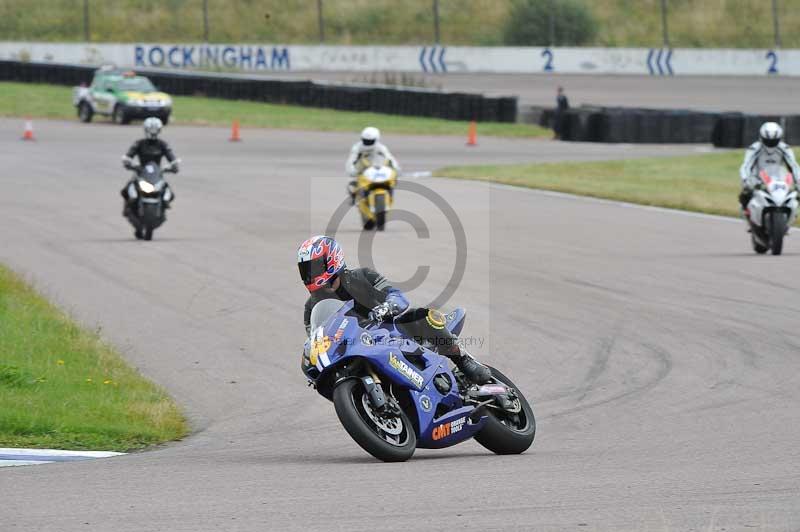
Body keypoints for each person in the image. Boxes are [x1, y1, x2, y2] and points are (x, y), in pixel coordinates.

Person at [297, 235, 492, 384]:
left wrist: (387, 306)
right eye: (306, 269)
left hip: (390, 331)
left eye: (314, 267)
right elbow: (318, 340)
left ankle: (464, 361)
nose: (310, 274)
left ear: (331, 260)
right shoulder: (311, 307)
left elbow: (396, 295)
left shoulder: (362, 276)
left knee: (422, 315)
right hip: (355, 348)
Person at [121, 117, 179, 212]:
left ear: (159, 130)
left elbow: (171, 156)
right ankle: (127, 207)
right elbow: (129, 155)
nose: (153, 132)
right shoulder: (139, 143)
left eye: (155, 129)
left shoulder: (162, 144)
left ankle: (164, 206)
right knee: (125, 190)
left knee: (170, 194)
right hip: (141, 171)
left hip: (157, 173)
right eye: (151, 129)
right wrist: (128, 162)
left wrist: (174, 165)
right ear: (146, 129)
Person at [739, 121, 800, 210]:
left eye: (773, 141)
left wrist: (798, 181)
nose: (770, 144)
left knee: (795, 197)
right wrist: (746, 180)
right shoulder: (754, 148)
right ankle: (747, 211)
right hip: (757, 180)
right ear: (762, 138)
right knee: (745, 194)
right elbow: (746, 165)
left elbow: (794, 166)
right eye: (768, 141)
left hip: (779, 180)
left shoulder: (785, 149)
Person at [345, 127, 400, 203]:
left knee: (393, 181)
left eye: (370, 141)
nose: (367, 143)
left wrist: (396, 169)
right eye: (366, 140)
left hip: (378, 168)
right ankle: (355, 197)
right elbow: (351, 160)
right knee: (351, 185)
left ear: (376, 139)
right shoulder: (357, 147)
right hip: (363, 169)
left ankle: (389, 195)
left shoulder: (381, 148)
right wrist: (352, 171)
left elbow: (390, 158)